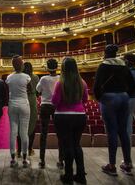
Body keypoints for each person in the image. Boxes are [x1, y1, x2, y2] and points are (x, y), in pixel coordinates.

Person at [93, 44, 135, 176]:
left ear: (105, 54)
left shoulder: (103, 65)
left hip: (109, 98)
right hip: (124, 97)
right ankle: (127, 164)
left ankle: (112, 165)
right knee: (123, 131)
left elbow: (96, 86)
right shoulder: (124, 66)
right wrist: (125, 94)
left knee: (112, 132)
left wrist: (100, 98)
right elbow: (132, 85)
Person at [52, 57, 88, 185]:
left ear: (63, 68)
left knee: (67, 146)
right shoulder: (82, 82)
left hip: (63, 116)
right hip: (80, 116)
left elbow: (54, 102)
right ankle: (81, 175)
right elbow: (85, 100)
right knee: (77, 145)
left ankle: (68, 176)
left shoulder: (60, 83)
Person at [36, 58, 64, 169]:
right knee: (60, 134)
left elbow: (37, 91)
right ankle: (61, 160)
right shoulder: (61, 78)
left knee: (44, 133)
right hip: (57, 106)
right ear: (56, 67)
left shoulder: (43, 79)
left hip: (45, 106)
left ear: (47, 67)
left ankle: (42, 161)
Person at [6, 55, 31, 168]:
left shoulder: (9, 77)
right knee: (24, 132)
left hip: (12, 105)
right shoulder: (26, 77)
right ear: (21, 65)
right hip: (24, 105)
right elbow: (30, 89)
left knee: (13, 132)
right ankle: (25, 159)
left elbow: (8, 90)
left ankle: (12, 159)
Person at [17, 62, 39, 158]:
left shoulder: (19, 77)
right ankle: (29, 149)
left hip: (21, 100)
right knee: (31, 125)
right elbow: (38, 92)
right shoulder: (35, 77)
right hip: (32, 102)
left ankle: (19, 150)